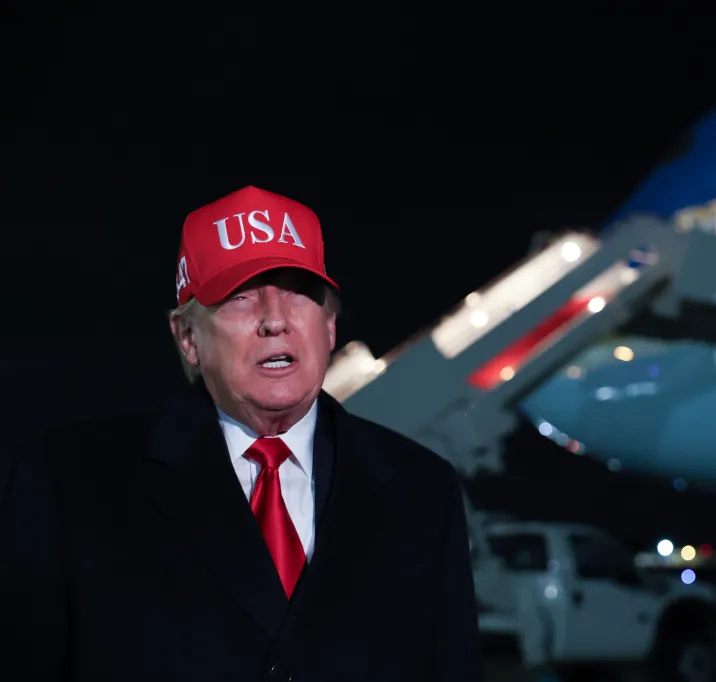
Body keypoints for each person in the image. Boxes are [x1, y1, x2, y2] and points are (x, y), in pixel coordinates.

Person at [0, 186, 483, 682]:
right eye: (240, 296)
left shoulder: (421, 490)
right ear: (188, 339)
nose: (275, 319)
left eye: (297, 291)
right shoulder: (69, 483)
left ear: (330, 325)